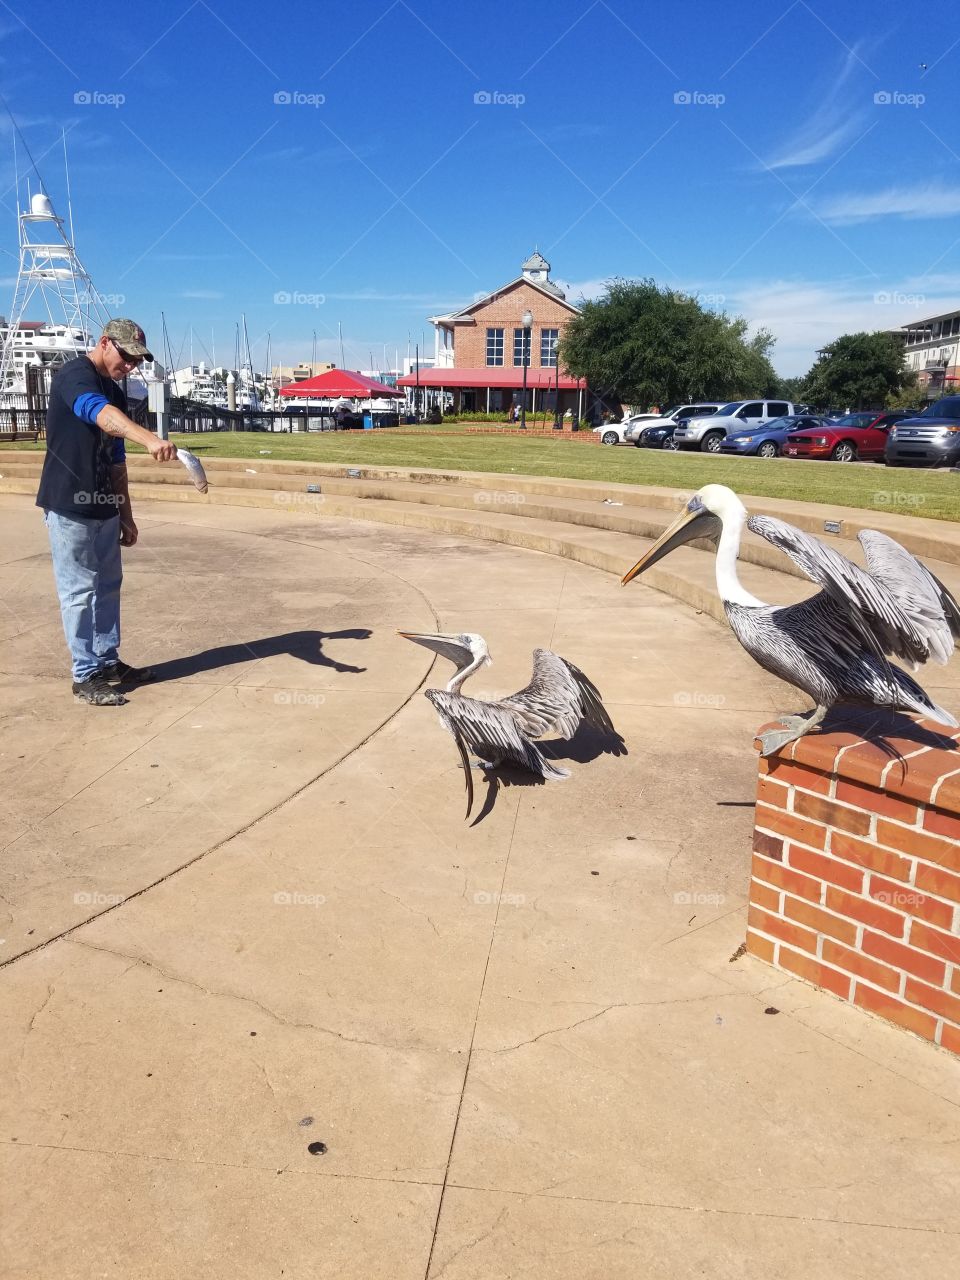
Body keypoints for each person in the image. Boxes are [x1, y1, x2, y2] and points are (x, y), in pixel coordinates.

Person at [36, 318, 177, 706]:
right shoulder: (74, 376)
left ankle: (107, 660)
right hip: (69, 504)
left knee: (108, 587)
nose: (131, 367)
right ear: (105, 343)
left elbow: (117, 463)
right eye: (127, 357)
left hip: (104, 506)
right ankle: (84, 675)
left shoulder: (115, 391)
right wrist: (148, 437)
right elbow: (96, 413)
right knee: (78, 591)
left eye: (137, 362)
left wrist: (126, 513)